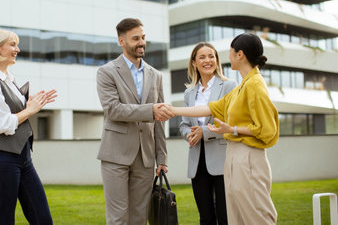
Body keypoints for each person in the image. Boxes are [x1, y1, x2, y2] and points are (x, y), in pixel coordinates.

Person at [167, 33, 279, 225]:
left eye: (230, 52)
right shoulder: (243, 85)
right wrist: (172, 110)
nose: (226, 57)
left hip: (248, 157)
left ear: (240, 54)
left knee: (256, 216)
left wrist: (232, 129)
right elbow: (211, 108)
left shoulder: (254, 85)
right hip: (236, 157)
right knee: (239, 217)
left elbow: (267, 130)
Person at [96, 18, 175, 225]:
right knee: (119, 217)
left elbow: (160, 120)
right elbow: (113, 110)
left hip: (146, 156)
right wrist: (150, 110)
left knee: (140, 217)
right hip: (115, 154)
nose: (141, 43)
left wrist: (162, 157)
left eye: (143, 37)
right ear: (122, 41)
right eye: (135, 39)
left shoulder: (155, 75)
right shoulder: (107, 72)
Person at [0, 28, 57, 225]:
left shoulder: (9, 79)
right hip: (2, 158)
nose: (17, 49)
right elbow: (1, 124)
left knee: (42, 219)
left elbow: (16, 110)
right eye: (12, 44)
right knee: (4, 220)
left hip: (23, 158)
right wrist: (30, 110)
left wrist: (31, 103)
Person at [179, 42, 236, 225]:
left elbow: (231, 123)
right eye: (202, 57)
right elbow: (183, 124)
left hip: (222, 159)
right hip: (197, 161)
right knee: (205, 218)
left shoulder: (229, 86)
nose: (207, 60)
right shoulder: (189, 93)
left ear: (217, 60)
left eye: (211, 56)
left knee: (225, 216)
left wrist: (204, 132)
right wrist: (190, 134)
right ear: (194, 63)